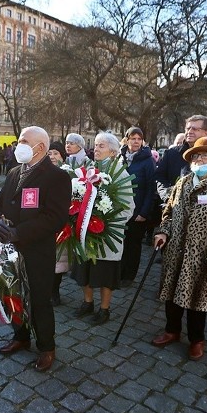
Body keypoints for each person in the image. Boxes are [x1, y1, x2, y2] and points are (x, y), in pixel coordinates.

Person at [0, 126, 71, 372]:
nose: (19, 145)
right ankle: (21, 336)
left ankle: (47, 346)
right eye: (19, 141)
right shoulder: (15, 172)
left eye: (24, 141)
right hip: (8, 248)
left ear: (41, 148)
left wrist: (20, 232)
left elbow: (54, 217)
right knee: (13, 294)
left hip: (37, 250)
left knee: (38, 299)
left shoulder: (56, 177)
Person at [151, 137, 207, 360]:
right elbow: (169, 212)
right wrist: (163, 231)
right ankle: (172, 331)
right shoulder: (183, 182)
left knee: (197, 300)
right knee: (171, 295)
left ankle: (196, 340)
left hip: (204, 256)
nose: (200, 159)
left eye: (205, 155)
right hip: (175, 251)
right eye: (196, 156)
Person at [71, 132, 134, 324]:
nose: (96, 149)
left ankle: (104, 309)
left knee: (105, 273)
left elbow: (128, 206)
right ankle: (87, 302)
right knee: (85, 269)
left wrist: (106, 220)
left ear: (113, 152)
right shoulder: (88, 169)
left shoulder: (119, 172)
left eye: (101, 146)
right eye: (96, 145)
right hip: (86, 231)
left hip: (107, 232)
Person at [119, 126, 156, 287]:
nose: (136, 141)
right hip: (121, 208)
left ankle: (129, 275)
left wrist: (144, 212)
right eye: (133, 138)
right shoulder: (121, 157)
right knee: (121, 242)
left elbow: (150, 188)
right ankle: (119, 272)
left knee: (133, 245)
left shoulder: (148, 160)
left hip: (138, 209)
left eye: (139, 139)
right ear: (126, 139)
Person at [154, 115, 207, 202]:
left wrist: (199, 201)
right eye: (188, 129)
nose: (190, 132)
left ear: (206, 133)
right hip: (175, 209)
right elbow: (160, 177)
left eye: (195, 129)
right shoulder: (172, 154)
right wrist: (167, 196)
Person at [46, 142, 68, 306]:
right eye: (49, 153)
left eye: (56, 153)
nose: (52, 157)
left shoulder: (68, 173)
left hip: (62, 225)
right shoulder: (41, 172)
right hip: (44, 223)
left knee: (59, 262)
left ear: (62, 156)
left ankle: (55, 291)